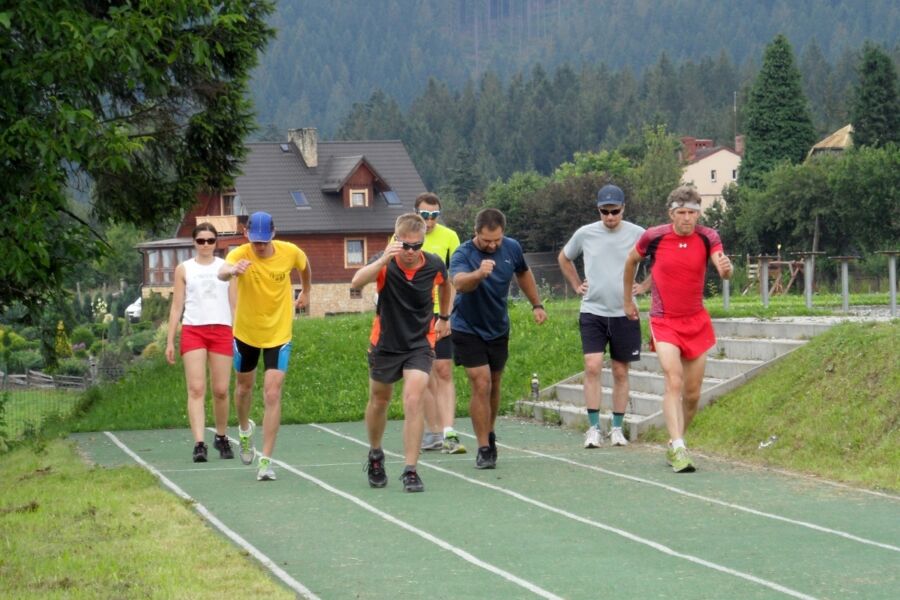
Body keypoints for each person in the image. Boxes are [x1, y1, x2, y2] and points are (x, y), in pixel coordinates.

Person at [623, 186, 732, 473]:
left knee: (693, 394)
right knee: (673, 379)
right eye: (681, 213)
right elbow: (631, 261)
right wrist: (627, 300)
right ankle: (680, 446)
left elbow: (721, 266)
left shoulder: (708, 237)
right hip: (664, 320)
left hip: (696, 321)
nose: (687, 218)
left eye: (692, 213)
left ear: (699, 213)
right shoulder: (654, 236)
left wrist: (726, 269)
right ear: (671, 213)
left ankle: (675, 443)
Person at [352, 213, 451, 493]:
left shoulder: (433, 265)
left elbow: (446, 284)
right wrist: (384, 258)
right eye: (404, 246)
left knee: (413, 399)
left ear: (423, 243)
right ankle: (375, 454)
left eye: (415, 246)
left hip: (419, 343)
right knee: (379, 401)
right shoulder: (386, 264)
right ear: (396, 241)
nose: (409, 252)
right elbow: (357, 282)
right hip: (385, 343)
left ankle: (410, 469)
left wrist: (444, 317)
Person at [218, 211, 312, 481]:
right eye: (254, 241)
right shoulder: (240, 255)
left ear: (273, 234)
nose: (259, 246)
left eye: (263, 241)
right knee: (243, 388)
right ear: (247, 234)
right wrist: (232, 271)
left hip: (278, 334)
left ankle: (266, 461)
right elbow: (222, 272)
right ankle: (245, 430)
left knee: (272, 394)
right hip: (246, 333)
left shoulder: (289, 252)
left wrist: (306, 290)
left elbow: (305, 267)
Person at [450, 208, 547, 469]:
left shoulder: (512, 248)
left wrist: (536, 304)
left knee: (493, 383)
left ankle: (489, 432)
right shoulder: (464, 253)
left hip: (497, 327)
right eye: (486, 240)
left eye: (497, 240)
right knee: (480, 383)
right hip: (467, 327)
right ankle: (483, 447)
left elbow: (523, 273)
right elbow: (459, 283)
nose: (492, 245)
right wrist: (478, 274)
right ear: (476, 234)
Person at [558, 184, 649, 449]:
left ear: (623, 209)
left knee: (621, 371)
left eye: (615, 211)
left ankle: (618, 428)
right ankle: (594, 427)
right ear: (598, 210)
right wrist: (576, 285)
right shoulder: (585, 233)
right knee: (593, 366)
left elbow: (661, 258)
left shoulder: (638, 233)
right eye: (604, 211)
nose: (610, 217)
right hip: (593, 311)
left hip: (624, 312)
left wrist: (644, 286)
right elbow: (564, 258)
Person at [165, 223, 237, 462]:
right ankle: (199, 443)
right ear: (194, 243)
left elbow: (234, 304)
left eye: (210, 240)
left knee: (221, 390)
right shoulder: (184, 269)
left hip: (222, 329)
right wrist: (170, 340)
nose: (206, 245)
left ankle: (222, 436)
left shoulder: (226, 267)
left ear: (216, 243)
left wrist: (237, 335)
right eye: (201, 241)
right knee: (196, 389)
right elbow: (177, 306)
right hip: (194, 330)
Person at [411, 193, 466, 455]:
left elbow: (455, 278)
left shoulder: (450, 237)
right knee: (422, 375)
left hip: (440, 312)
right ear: (415, 215)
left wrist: (448, 316)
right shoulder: (403, 236)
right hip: (412, 315)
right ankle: (432, 432)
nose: (429, 221)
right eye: (424, 215)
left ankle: (449, 432)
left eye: (434, 216)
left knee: (443, 369)